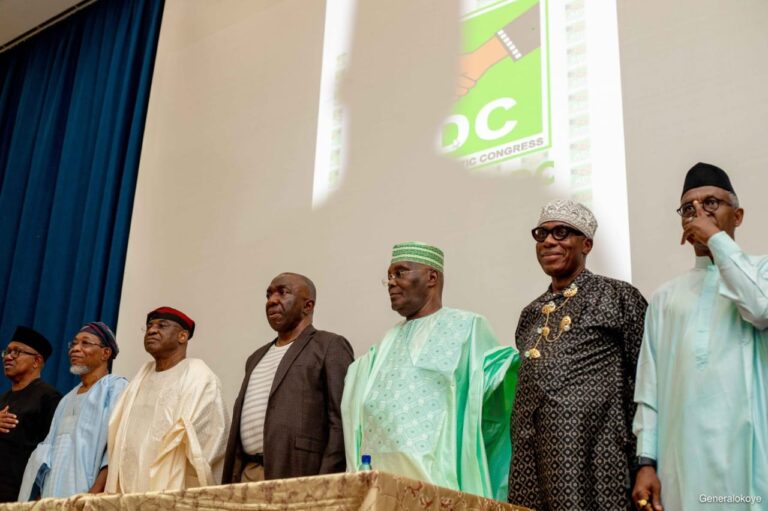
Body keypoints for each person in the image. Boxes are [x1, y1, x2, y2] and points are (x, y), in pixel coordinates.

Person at [632, 162, 768, 511]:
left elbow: (760, 308)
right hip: (681, 461)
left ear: (737, 216)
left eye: (711, 203)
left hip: (749, 457)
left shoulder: (762, 271)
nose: (700, 215)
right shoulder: (665, 298)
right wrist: (645, 462)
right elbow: (649, 388)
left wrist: (717, 241)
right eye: (689, 209)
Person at [342, 242, 519, 500]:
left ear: (431, 277)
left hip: (439, 480)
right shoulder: (386, 342)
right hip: (381, 481)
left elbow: (491, 396)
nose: (391, 282)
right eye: (388, 276)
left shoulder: (467, 325)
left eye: (400, 273)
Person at [508, 199, 647, 510]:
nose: (548, 241)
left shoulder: (618, 296)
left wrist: (647, 460)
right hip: (531, 456)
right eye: (541, 234)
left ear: (586, 244)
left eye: (561, 232)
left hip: (598, 456)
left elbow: (648, 379)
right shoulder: (530, 313)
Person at [222, 273, 354, 483]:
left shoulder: (329, 345)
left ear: (307, 306)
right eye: (268, 295)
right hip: (248, 473)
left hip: (300, 474)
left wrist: (326, 482)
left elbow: (342, 421)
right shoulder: (255, 358)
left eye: (282, 293)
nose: (272, 301)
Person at [105, 307, 228, 493]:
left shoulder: (199, 377)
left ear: (182, 336)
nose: (152, 331)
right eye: (149, 326)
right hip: (129, 491)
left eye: (162, 326)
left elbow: (210, 441)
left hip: (174, 491)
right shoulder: (139, 379)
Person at [18, 322, 127, 499]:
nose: (75, 349)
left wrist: (93, 494)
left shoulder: (115, 388)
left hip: (87, 498)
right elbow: (48, 453)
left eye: (85, 343)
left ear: (105, 353)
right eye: (74, 343)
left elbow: (116, 447)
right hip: (53, 497)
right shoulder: (66, 399)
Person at [0, 326, 62, 502]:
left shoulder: (49, 397)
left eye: (17, 352)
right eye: (7, 352)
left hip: (21, 497)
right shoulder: (2, 399)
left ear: (36, 361)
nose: (8, 357)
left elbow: (54, 452)